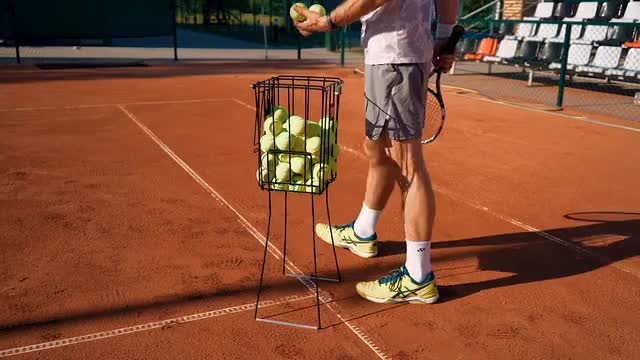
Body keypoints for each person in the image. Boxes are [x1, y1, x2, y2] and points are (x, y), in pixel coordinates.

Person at [293, 0, 459, 304]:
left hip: (396, 56)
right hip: (395, 53)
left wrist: (328, 22)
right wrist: (446, 34)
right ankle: (362, 231)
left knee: (408, 165)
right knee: (377, 147)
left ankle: (418, 277)